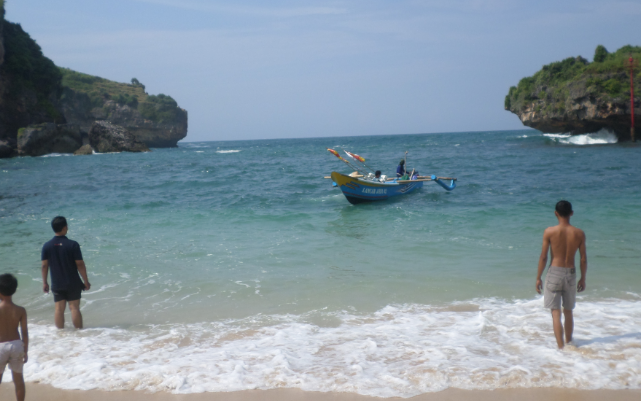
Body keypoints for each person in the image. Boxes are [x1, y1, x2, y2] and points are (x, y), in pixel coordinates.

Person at [535, 200, 587, 349]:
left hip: (554, 272)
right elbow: (583, 259)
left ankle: (561, 348)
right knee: (568, 311)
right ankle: (569, 343)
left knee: (556, 312)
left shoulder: (549, 232)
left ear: (555, 213)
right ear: (571, 213)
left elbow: (543, 257)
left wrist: (538, 277)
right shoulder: (579, 233)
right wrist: (583, 278)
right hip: (570, 273)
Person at [41, 216, 91, 329]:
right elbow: (80, 264)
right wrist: (86, 281)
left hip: (57, 283)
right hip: (72, 282)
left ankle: (60, 335)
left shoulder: (47, 246)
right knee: (74, 308)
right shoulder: (73, 245)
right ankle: (80, 334)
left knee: (58, 309)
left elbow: (44, 266)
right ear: (65, 228)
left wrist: (45, 282)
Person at [0, 274, 28, 401]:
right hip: (17, 345)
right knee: (18, 380)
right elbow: (25, 333)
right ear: (15, 290)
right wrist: (25, 350)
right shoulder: (20, 310)